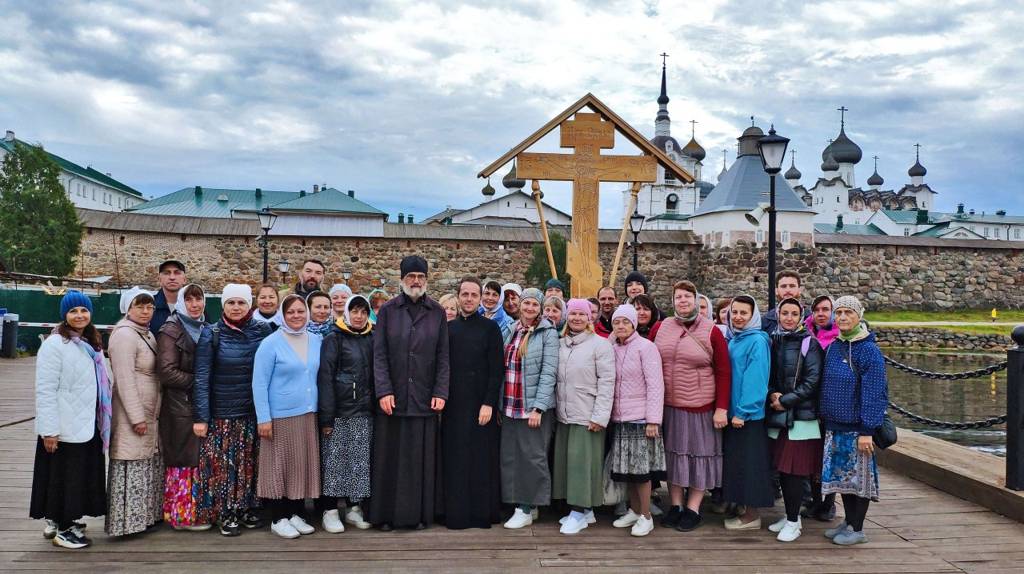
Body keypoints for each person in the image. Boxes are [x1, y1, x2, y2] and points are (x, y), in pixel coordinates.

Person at [370, 255, 450, 530]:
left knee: (419, 461)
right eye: (411, 277)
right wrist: (383, 391)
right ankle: (387, 516)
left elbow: (443, 356)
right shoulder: (389, 311)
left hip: (424, 397)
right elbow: (379, 355)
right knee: (390, 458)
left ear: (426, 280)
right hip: (394, 398)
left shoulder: (437, 312)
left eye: (420, 277)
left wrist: (441, 391)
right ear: (402, 279)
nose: (416, 282)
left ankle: (419, 515)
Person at [193, 283, 274, 536]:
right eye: (231, 303)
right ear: (224, 305)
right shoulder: (212, 332)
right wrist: (201, 417)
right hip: (223, 414)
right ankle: (226, 512)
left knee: (250, 464)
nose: (236, 307)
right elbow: (202, 377)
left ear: (249, 305)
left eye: (241, 302)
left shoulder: (263, 330)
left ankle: (246, 507)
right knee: (225, 467)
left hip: (252, 411)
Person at [31, 290, 109, 549]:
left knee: (78, 476)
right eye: (73, 311)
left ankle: (64, 520)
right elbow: (45, 389)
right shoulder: (55, 345)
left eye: (84, 310)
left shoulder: (90, 342)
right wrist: (49, 430)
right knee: (65, 477)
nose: (79, 315)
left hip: (86, 422)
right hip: (64, 426)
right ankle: (63, 529)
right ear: (64, 315)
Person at [654, 280, 731, 532]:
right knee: (675, 456)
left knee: (699, 456)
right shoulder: (662, 327)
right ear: (673, 301)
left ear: (696, 300)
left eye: (687, 296)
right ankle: (675, 505)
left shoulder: (711, 330)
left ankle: (693, 508)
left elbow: (723, 371)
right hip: (670, 405)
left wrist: (721, 407)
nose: (683, 300)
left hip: (700, 406)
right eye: (678, 297)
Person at [252, 294, 322, 539]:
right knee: (279, 465)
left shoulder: (316, 340)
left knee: (300, 465)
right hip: (280, 415)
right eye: (291, 312)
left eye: (300, 311)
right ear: (283, 314)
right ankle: (278, 517)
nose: (296, 316)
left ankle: (295, 513)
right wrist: (263, 417)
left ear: (307, 313)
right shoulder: (271, 343)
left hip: (308, 413)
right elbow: (259, 383)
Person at [820, 296, 887, 546]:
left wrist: (867, 430)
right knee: (843, 480)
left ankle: (858, 528)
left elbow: (874, 392)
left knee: (859, 480)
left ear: (859, 315)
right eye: (839, 313)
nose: (843, 317)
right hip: (835, 425)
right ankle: (848, 522)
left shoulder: (868, 350)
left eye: (848, 312)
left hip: (857, 429)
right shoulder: (835, 346)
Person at [443, 277, 505, 529]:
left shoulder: (490, 329)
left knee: (480, 459)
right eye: (465, 294)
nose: (469, 299)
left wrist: (489, 402)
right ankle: (456, 514)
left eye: (474, 295)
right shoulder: (448, 329)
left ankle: (481, 513)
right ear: (458, 297)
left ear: (480, 299)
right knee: (456, 459)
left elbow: (495, 370)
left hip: (481, 405)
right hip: (454, 405)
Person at [552, 298, 615, 535]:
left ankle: (579, 512)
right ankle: (584, 511)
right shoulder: (562, 344)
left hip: (587, 413)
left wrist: (600, 416)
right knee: (569, 464)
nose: (577, 318)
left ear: (590, 318)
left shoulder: (600, 345)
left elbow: (607, 382)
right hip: (565, 412)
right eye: (573, 314)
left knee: (582, 465)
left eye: (582, 314)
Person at [106, 287, 163, 537]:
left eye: (149, 306)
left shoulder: (145, 334)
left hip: (150, 410)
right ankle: (126, 522)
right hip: (135, 413)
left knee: (144, 462)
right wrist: (136, 416)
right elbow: (124, 379)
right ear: (127, 308)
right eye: (139, 306)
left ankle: (142, 518)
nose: (145, 311)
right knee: (131, 462)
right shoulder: (125, 336)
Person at [501, 287, 559, 529]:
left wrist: (539, 407)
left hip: (532, 406)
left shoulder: (547, 333)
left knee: (532, 458)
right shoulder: (513, 329)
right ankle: (524, 505)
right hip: (511, 403)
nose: (529, 308)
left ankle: (526, 506)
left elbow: (549, 371)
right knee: (512, 457)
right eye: (526, 303)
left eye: (535, 304)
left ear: (540, 308)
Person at [766, 298, 824, 542]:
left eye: (794, 314)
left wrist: (785, 400)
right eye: (784, 313)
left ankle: (793, 521)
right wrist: (772, 394)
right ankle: (792, 516)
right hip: (780, 415)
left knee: (794, 472)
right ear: (778, 315)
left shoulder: (810, 344)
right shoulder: (775, 341)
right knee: (784, 471)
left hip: (801, 418)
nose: (788, 318)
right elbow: (769, 375)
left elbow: (812, 382)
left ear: (801, 317)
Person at [317, 295, 375, 533]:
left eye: (363, 311)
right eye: (355, 311)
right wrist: (327, 417)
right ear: (346, 313)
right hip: (340, 410)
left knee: (358, 462)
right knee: (334, 462)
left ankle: (354, 508)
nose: (359, 316)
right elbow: (326, 379)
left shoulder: (372, 337)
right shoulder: (334, 338)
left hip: (364, 410)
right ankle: (330, 511)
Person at [607, 304, 665, 537]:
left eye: (625, 322)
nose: (621, 326)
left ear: (634, 324)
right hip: (620, 417)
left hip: (641, 419)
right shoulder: (612, 348)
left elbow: (655, 385)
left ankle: (646, 516)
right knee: (627, 471)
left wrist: (653, 420)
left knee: (642, 472)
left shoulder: (646, 347)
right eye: (616, 322)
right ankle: (634, 509)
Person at [157, 283, 211, 531]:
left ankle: (193, 511)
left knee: (195, 461)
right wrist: (199, 381)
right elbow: (167, 373)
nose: (195, 304)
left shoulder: (204, 327)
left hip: (195, 404)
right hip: (180, 406)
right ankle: (181, 516)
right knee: (182, 462)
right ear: (181, 302)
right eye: (189, 300)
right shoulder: (171, 329)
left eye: (198, 299)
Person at [721, 295, 774, 531]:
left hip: (747, 416)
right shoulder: (736, 339)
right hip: (734, 413)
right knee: (739, 464)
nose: (738, 317)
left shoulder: (757, 341)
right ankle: (743, 509)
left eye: (744, 313)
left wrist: (743, 411)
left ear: (753, 316)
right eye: (735, 312)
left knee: (750, 466)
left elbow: (756, 379)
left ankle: (752, 515)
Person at [803, 294, 839, 521]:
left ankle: (828, 503)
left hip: (830, 405)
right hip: (810, 405)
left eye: (826, 309)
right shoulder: (806, 336)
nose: (821, 314)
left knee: (829, 456)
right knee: (812, 456)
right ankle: (815, 501)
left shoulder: (838, 339)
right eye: (817, 310)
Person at [151, 259, 187, 335]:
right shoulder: (149, 306)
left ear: (184, 279)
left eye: (177, 273)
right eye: (167, 273)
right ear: (159, 279)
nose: (172, 277)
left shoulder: (195, 306)